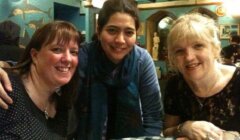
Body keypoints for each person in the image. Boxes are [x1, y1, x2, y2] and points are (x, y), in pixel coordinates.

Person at [0, 0, 163, 139]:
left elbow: (153, 117)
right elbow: (47, 65)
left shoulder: (142, 61)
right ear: (99, 31)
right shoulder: (83, 55)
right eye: (112, 30)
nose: (120, 40)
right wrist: (5, 66)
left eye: (128, 32)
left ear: (136, 34)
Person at [163, 13, 240, 140]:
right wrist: (185, 127)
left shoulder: (237, 81)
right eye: (179, 51)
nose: (189, 57)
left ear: (215, 48)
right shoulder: (175, 84)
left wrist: (227, 137)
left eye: (198, 46)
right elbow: (167, 132)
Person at [0, 21, 80, 139]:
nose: (68, 58)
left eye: (73, 52)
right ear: (35, 55)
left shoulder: (64, 107)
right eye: (57, 49)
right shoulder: (6, 90)